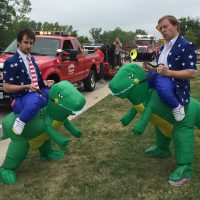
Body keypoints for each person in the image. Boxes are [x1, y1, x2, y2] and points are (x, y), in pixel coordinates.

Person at [143, 15, 197, 121]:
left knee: (163, 84)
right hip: (160, 79)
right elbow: (162, 68)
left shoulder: (186, 45)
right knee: (143, 80)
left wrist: (168, 73)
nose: (163, 30)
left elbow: (192, 73)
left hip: (175, 85)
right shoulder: (163, 47)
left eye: (165, 26)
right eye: (161, 28)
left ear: (175, 26)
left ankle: (178, 107)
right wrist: (152, 69)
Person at [3, 28, 54, 135]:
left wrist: (45, 82)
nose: (29, 46)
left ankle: (66, 114)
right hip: (20, 97)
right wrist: (26, 86)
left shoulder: (32, 59)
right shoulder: (11, 62)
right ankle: (20, 122)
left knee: (55, 93)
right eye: (26, 42)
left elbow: (34, 80)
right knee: (37, 99)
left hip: (36, 91)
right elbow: (6, 87)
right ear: (19, 42)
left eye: (31, 43)